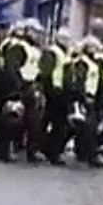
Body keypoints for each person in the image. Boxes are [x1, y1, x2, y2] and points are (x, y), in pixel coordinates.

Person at [0, 18, 46, 163]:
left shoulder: (35, 50)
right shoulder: (18, 47)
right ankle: (5, 151)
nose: (37, 36)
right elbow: (12, 68)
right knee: (12, 121)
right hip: (19, 88)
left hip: (32, 88)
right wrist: (17, 87)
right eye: (34, 32)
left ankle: (32, 152)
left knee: (34, 122)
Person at [65, 36, 103, 168]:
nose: (93, 49)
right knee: (89, 127)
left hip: (92, 96)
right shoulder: (82, 62)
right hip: (84, 97)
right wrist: (82, 97)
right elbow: (79, 81)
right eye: (91, 47)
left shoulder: (94, 62)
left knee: (85, 127)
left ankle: (82, 152)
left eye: (95, 47)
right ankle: (91, 155)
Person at [40, 31, 75, 166]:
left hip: (63, 93)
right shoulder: (53, 52)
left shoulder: (65, 53)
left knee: (59, 124)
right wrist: (50, 90)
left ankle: (49, 149)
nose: (68, 42)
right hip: (55, 92)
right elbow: (47, 72)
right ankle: (51, 152)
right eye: (65, 39)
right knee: (54, 123)